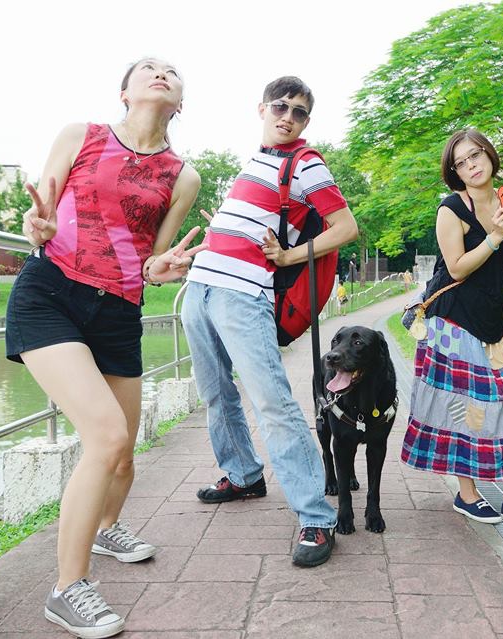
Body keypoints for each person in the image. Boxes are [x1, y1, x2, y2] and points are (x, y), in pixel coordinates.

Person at [5, 58, 204, 638]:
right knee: (107, 436)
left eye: (171, 71)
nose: (161, 73)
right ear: (124, 91)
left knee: (124, 454)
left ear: (181, 103)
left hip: (119, 311)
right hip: (52, 295)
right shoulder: (81, 136)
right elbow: (39, 216)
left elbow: (152, 259)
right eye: (148, 68)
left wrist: (162, 267)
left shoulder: (182, 175)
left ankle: (105, 526)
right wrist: (35, 228)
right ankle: (68, 589)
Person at [183, 76, 358, 567]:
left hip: (243, 295)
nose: (288, 116)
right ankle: (243, 475)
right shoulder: (255, 160)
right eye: (280, 106)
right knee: (216, 392)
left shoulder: (305, 163)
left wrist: (289, 258)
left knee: (273, 403)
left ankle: (316, 518)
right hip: (199, 288)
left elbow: (346, 226)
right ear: (260, 107)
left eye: (299, 112)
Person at [401, 128, 503, 528]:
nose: (471, 164)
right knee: (466, 410)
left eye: (476, 155)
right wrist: (493, 237)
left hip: (493, 322)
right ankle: (468, 492)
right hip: (450, 322)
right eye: (461, 161)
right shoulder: (451, 208)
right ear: (455, 171)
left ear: (490, 156)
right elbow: (456, 267)